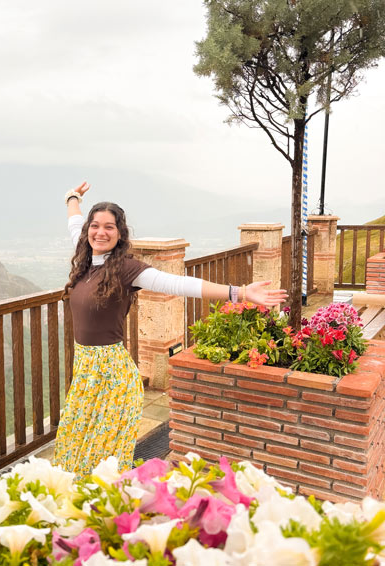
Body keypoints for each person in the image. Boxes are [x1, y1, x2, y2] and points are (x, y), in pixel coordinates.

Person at [52, 182, 287, 479]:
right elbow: (75, 222)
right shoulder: (85, 257)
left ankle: (102, 513)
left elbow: (178, 283)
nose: (100, 232)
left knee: (101, 462)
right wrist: (72, 198)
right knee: (73, 444)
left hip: (112, 377)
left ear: (120, 234)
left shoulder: (127, 269)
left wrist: (239, 293)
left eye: (109, 227)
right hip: (86, 371)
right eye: (95, 226)